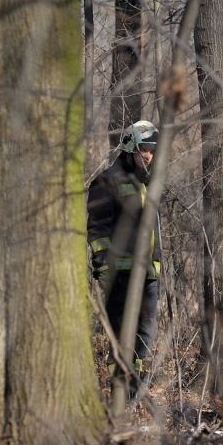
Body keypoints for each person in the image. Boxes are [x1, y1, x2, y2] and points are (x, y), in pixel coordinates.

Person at [87, 120, 162, 396]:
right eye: (145, 149)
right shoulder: (107, 181)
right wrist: (103, 264)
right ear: (130, 147)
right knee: (122, 336)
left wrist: (156, 268)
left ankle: (134, 389)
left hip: (148, 274)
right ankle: (120, 393)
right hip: (119, 274)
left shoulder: (147, 184)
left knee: (144, 334)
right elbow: (97, 227)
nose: (149, 155)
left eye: (152, 150)